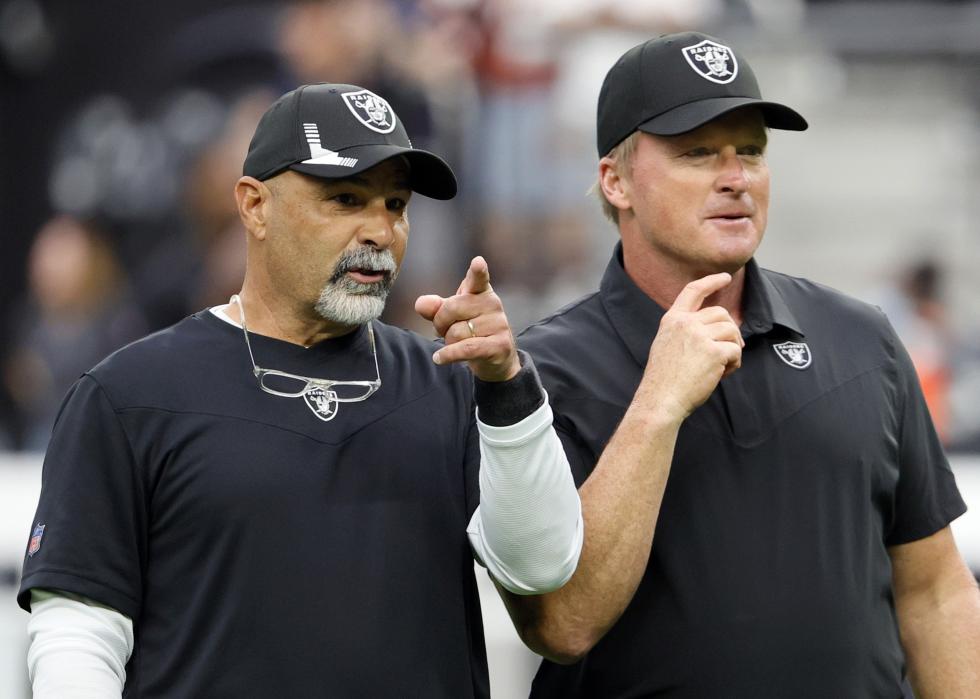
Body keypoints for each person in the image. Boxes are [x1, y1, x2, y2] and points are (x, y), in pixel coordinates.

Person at [18, 83, 583, 698]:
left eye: (396, 204)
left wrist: (507, 388)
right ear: (254, 205)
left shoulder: (453, 381)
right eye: (345, 199)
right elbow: (78, 639)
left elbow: (542, 567)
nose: (380, 230)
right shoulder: (129, 394)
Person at [509, 32, 980, 698]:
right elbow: (561, 623)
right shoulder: (540, 372)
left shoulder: (862, 338)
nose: (735, 176)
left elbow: (935, 592)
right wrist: (658, 403)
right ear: (615, 180)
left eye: (751, 151)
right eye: (697, 152)